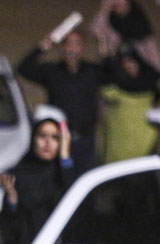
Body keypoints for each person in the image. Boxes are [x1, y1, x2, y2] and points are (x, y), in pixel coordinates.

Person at [18, 29, 108, 172]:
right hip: (58, 140)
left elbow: (116, 75)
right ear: (62, 48)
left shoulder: (92, 72)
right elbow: (23, 69)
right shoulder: (52, 71)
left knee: (85, 181)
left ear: (82, 48)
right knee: (59, 181)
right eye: (68, 44)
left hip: (85, 142)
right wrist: (42, 48)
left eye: (77, 44)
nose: (72, 49)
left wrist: (104, 52)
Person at [0, 117, 78, 244]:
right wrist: (12, 197)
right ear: (33, 139)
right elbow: (9, 221)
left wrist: (64, 155)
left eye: (55, 138)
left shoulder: (64, 172)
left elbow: (73, 200)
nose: (48, 143)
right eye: (42, 136)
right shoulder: (19, 173)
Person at [99, 44, 160, 163]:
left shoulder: (149, 83)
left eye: (133, 62)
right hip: (118, 146)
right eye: (125, 63)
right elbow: (106, 89)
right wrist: (107, 61)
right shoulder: (114, 89)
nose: (129, 65)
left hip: (144, 143)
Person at [91, 0, 160, 72]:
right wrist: (104, 10)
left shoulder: (139, 20)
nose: (121, 7)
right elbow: (95, 29)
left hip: (140, 60)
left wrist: (158, 72)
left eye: (124, 4)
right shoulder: (111, 20)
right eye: (117, 5)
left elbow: (153, 52)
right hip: (118, 57)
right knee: (103, 42)